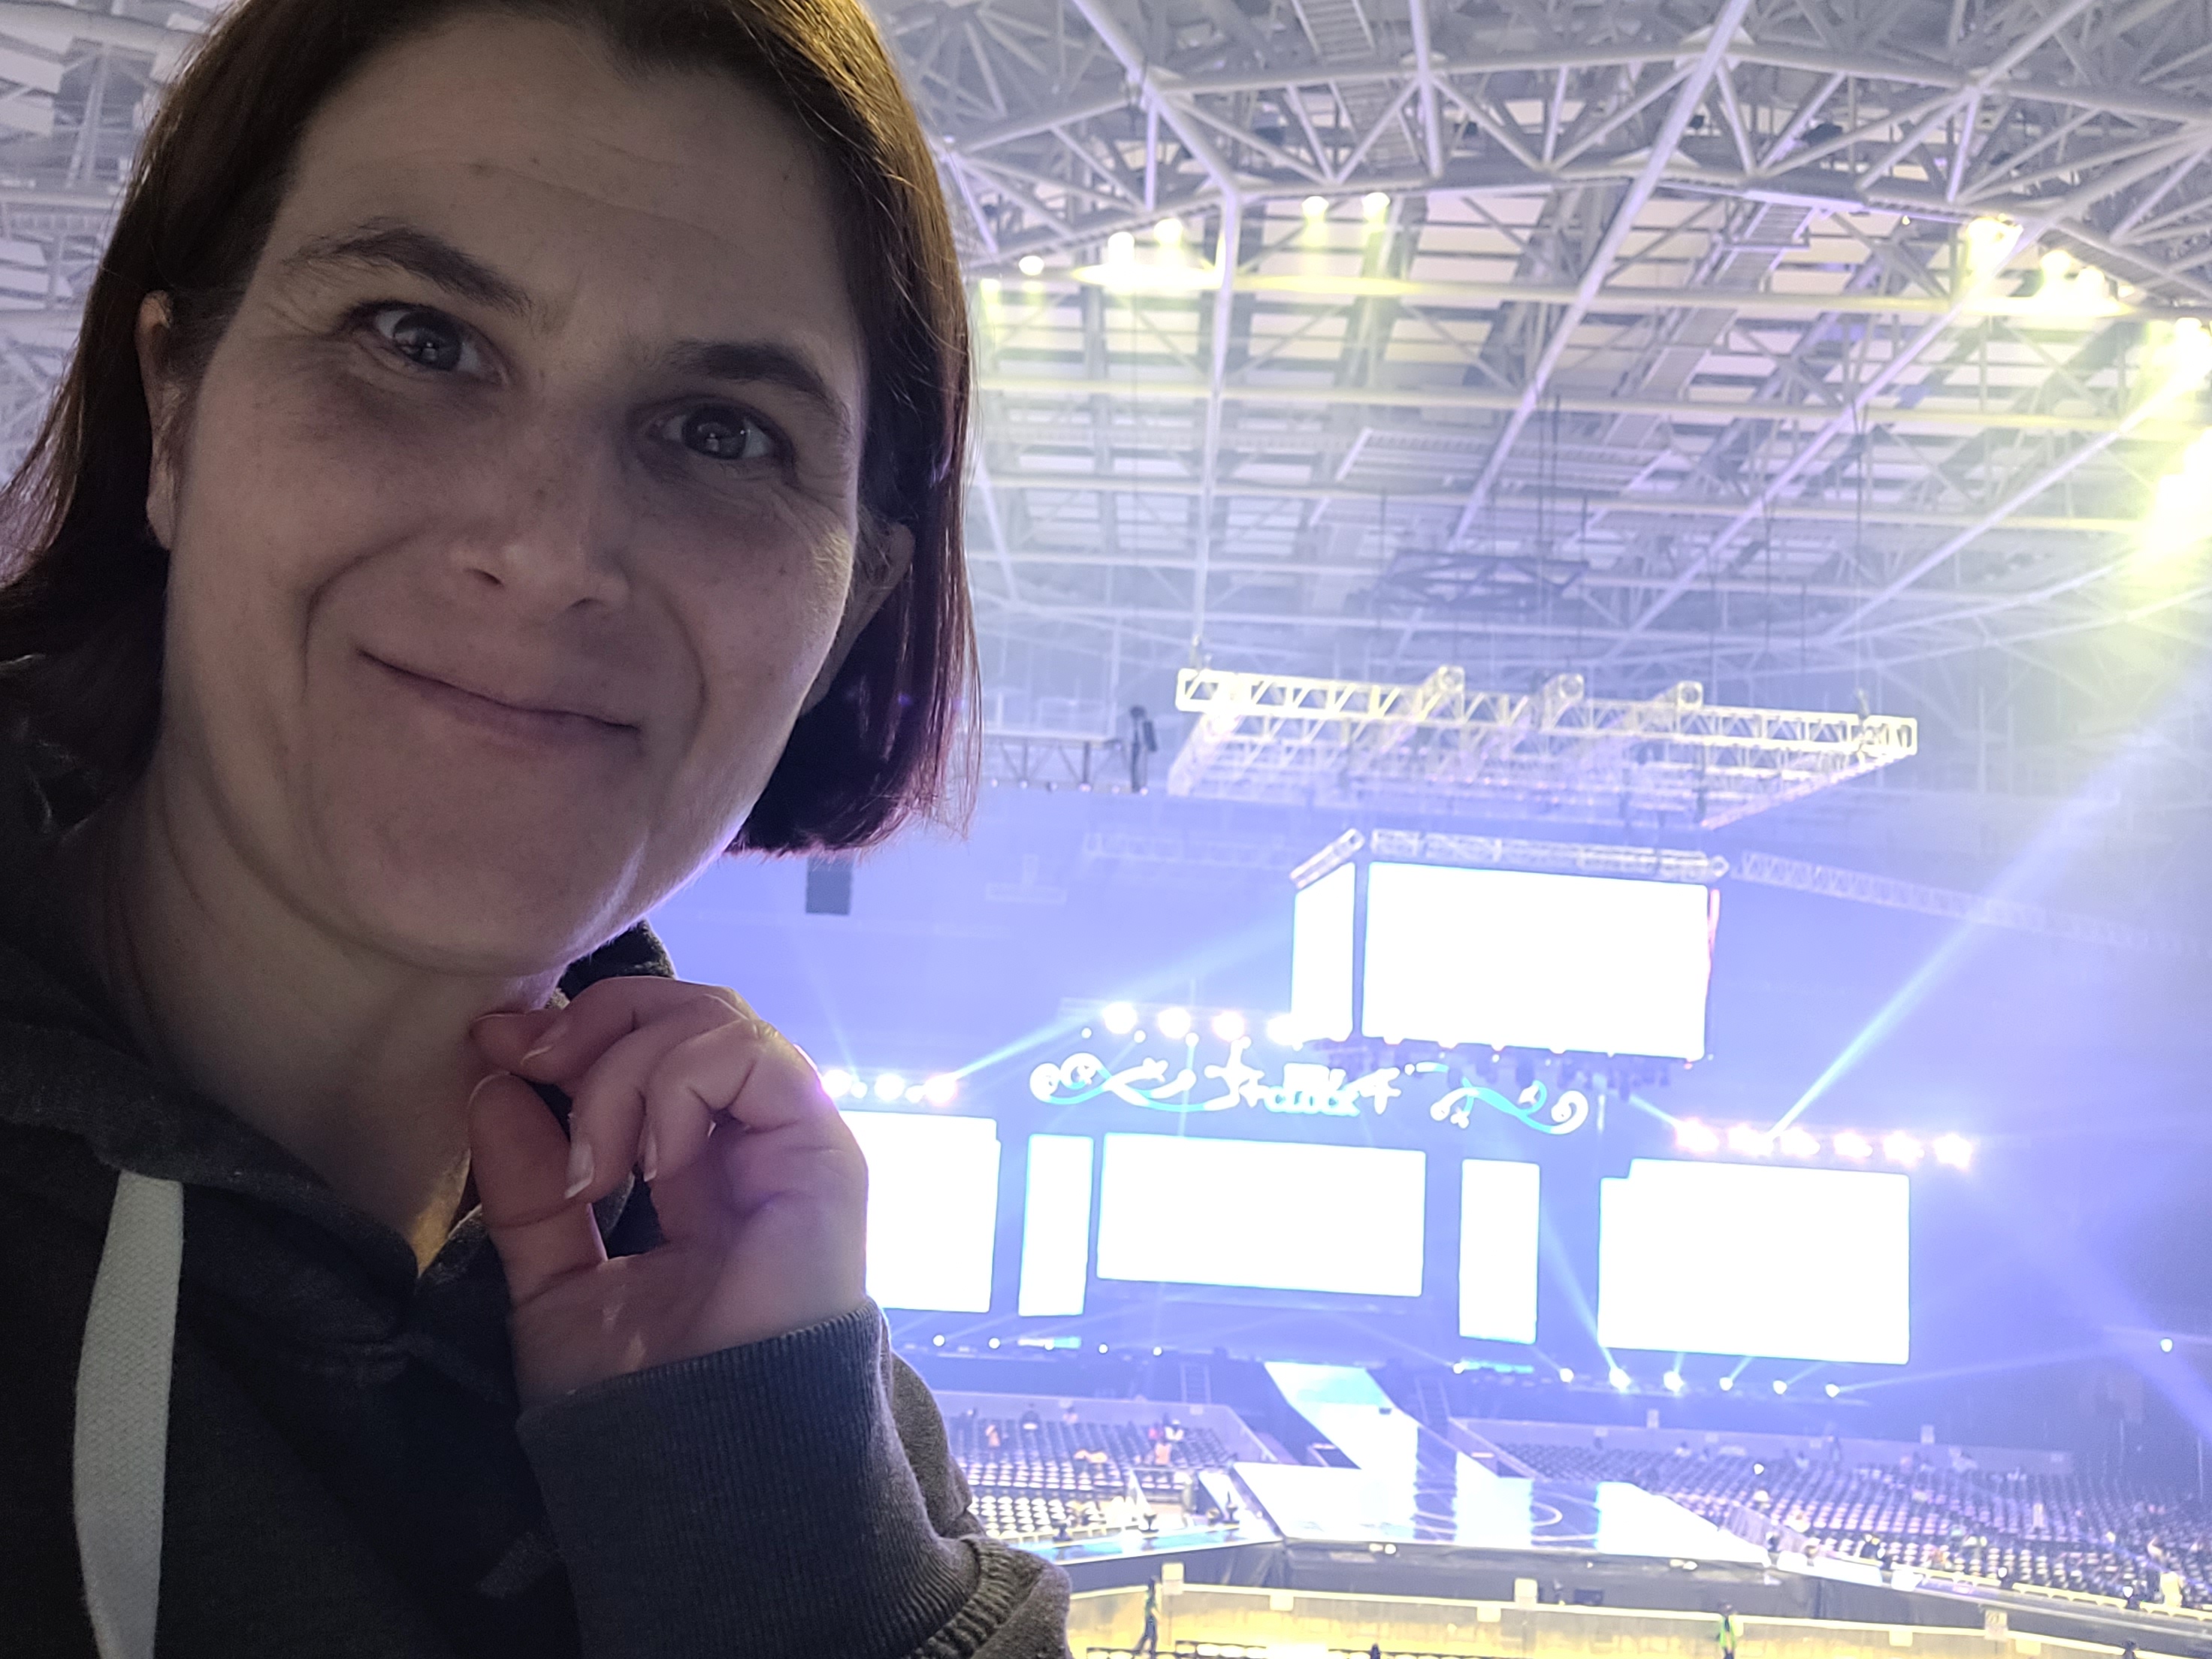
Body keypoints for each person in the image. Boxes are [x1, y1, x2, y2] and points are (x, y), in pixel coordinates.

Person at [0, 0, 1068, 1654]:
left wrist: (776, 1545)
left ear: (851, 606)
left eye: (722, 432)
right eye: (416, 338)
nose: (551, 549)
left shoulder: (776, 1389)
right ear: (176, 409)